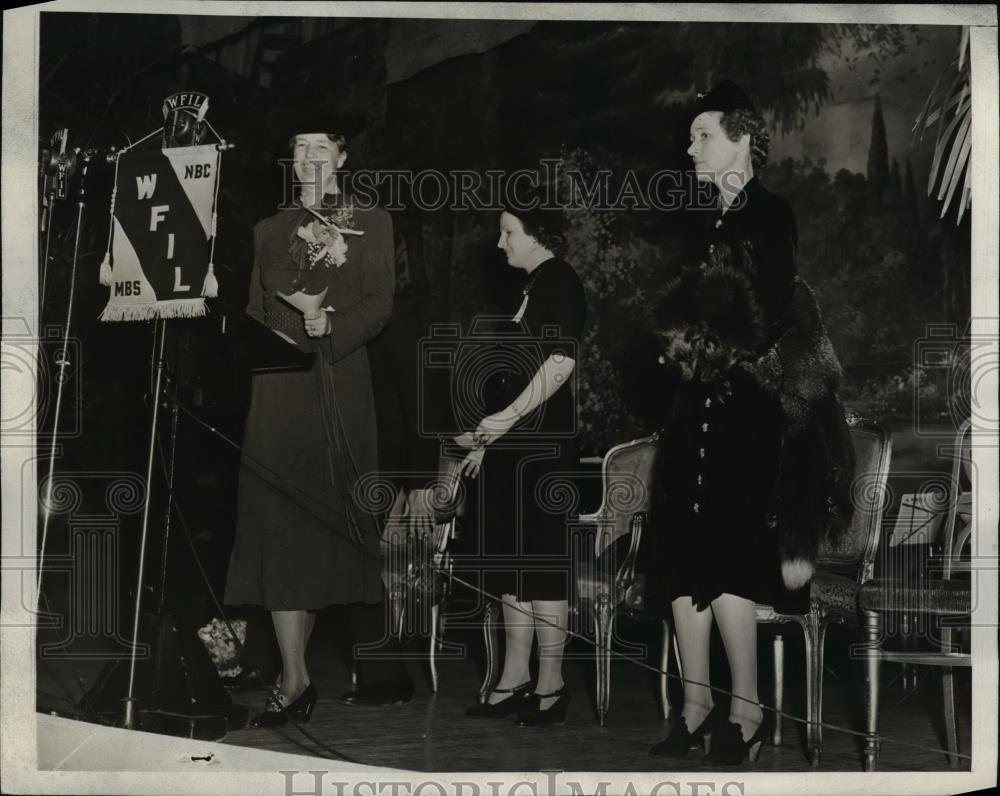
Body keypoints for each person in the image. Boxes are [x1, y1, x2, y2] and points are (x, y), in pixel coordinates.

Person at [646, 81, 854, 764]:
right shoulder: (701, 222)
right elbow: (681, 306)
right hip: (694, 405)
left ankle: (747, 711)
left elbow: (766, 308)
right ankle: (695, 704)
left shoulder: (770, 216)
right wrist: (677, 347)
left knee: (731, 551)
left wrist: (704, 348)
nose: (690, 147)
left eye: (702, 135)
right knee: (678, 551)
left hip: (746, 405)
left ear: (741, 138)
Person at [224, 119, 413, 728]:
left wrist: (331, 327)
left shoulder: (373, 222)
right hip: (278, 391)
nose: (309, 156)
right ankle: (294, 675)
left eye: (321, 146)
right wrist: (289, 327)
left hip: (341, 382)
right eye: (299, 146)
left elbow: (380, 303)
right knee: (278, 523)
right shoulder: (268, 229)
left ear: (342, 155)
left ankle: (307, 673)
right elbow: (257, 309)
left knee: (324, 525)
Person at [455, 201, 587, 727]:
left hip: (544, 449)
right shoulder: (530, 287)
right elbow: (516, 373)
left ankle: (551, 685)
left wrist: (504, 420)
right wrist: (488, 438)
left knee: (542, 567)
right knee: (511, 565)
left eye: (509, 231)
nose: (500, 242)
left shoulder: (560, 281)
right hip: (513, 448)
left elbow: (560, 362)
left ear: (539, 234)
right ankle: (513, 679)